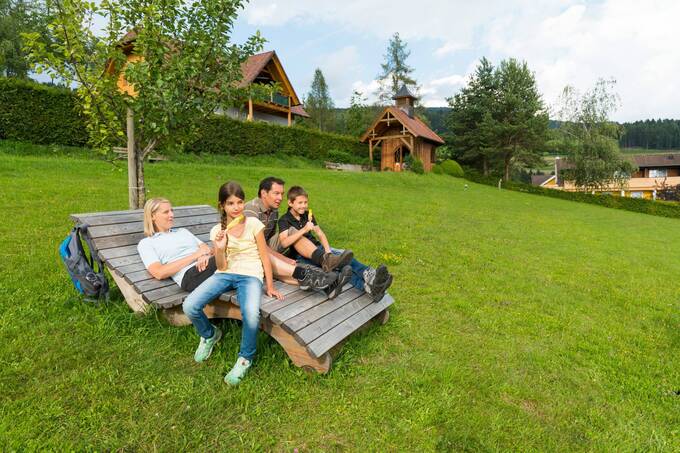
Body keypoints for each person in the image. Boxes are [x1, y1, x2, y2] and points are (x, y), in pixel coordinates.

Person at [278, 186, 393, 302]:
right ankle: (369, 277)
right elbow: (284, 243)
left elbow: (320, 234)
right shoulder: (284, 220)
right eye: (300, 203)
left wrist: (328, 252)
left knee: (344, 263)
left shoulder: (308, 215)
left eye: (306, 202)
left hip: (319, 250)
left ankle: (370, 285)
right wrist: (304, 230)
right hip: (301, 256)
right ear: (290, 203)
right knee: (340, 268)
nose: (303, 205)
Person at [244, 176, 350, 295]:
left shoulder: (273, 210)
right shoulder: (251, 209)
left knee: (292, 231)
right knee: (282, 270)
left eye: (282, 194)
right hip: (249, 251)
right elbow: (254, 244)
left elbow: (269, 240)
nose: (280, 198)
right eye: (276, 193)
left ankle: (326, 260)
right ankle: (327, 286)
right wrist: (282, 258)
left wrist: (279, 256)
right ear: (264, 193)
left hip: (266, 248)